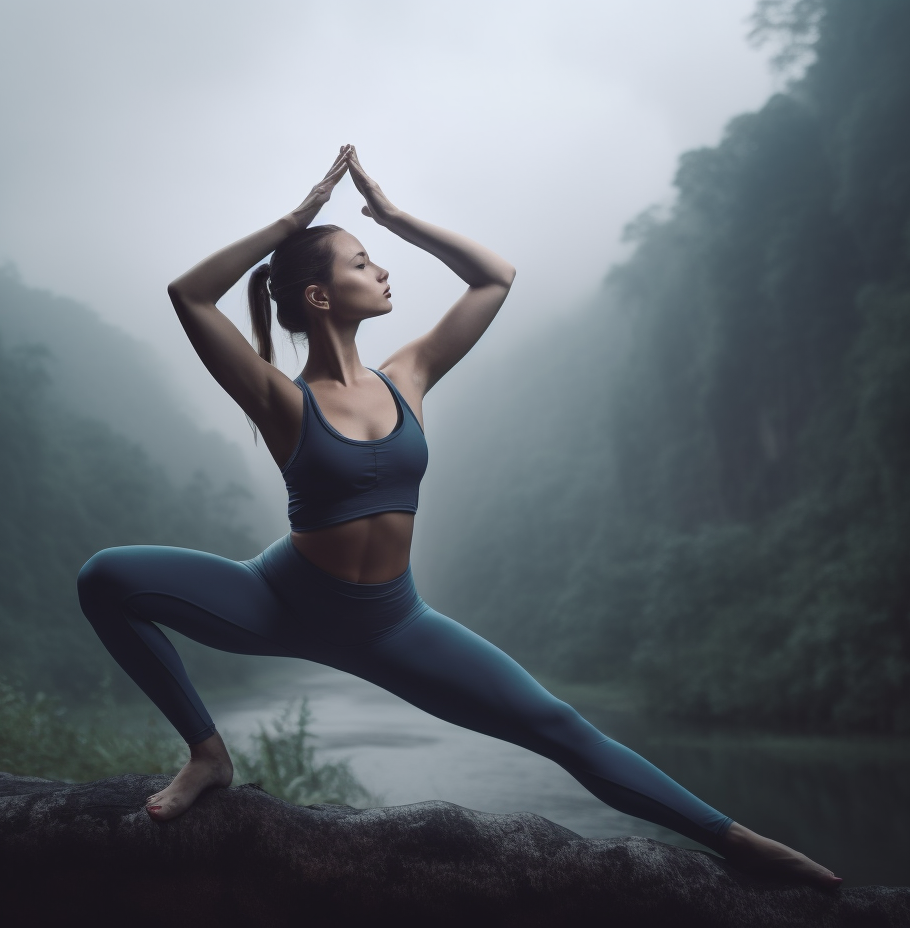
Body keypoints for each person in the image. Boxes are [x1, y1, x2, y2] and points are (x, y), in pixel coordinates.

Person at [76, 145, 840, 888]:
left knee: (560, 727)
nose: (381, 270)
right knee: (105, 578)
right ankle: (208, 755)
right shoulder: (281, 398)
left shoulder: (409, 374)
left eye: (377, 257)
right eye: (362, 261)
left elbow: (493, 278)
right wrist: (296, 220)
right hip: (281, 600)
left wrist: (393, 214)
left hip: (393, 624)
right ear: (318, 296)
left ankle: (735, 840)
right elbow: (190, 296)